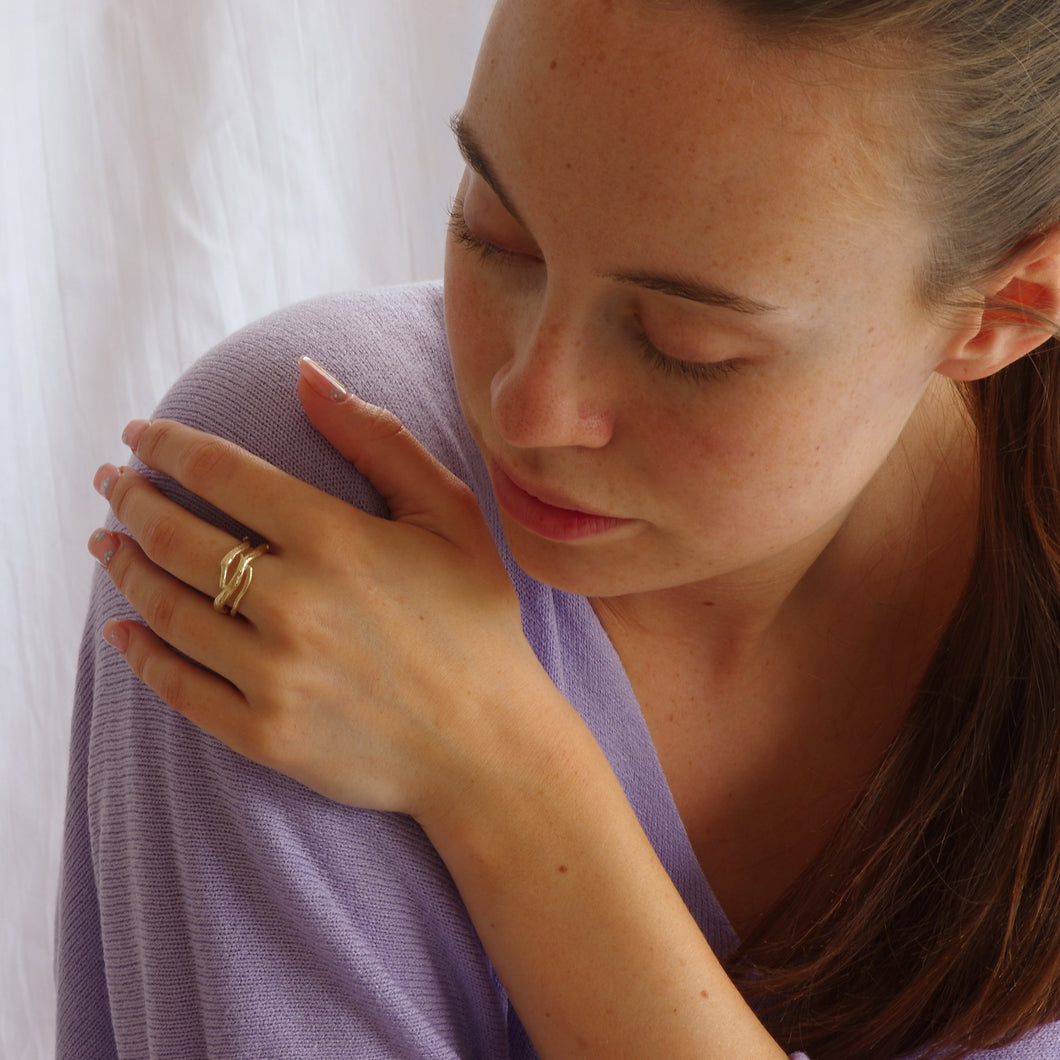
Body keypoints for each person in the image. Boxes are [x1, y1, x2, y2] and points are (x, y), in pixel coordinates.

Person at [56, 0, 1060, 1056]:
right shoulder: (311, 509)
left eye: (686, 343)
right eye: (492, 232)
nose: (527, 404)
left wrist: (508, 781)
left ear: (1002, 310)